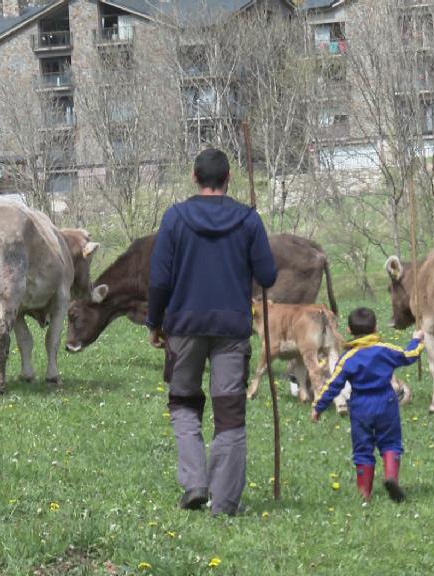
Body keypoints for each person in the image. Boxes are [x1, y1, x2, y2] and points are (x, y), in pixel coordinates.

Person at [146, 148, 277, 516]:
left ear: (194, 177)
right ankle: (225, 503)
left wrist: (155, 323)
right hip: (232, 329)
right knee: (230, 412)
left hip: (184, 327)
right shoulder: (248, 220)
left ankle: (195, 483)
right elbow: (267, 276)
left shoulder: (174, 219)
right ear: (229, 178)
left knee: (184, 402)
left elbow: (159, 280)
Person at [312, 307, 423, 503]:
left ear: (349, 330)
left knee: (363, 449)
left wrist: (319, 407)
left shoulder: (348, 358)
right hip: (386, 402)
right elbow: (410, 354)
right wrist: (417, 338)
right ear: (376, 327)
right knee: (391, 443)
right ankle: (391, 477)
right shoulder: (385, 350)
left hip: (361, 406)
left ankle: (364, 494)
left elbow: (333, 384)